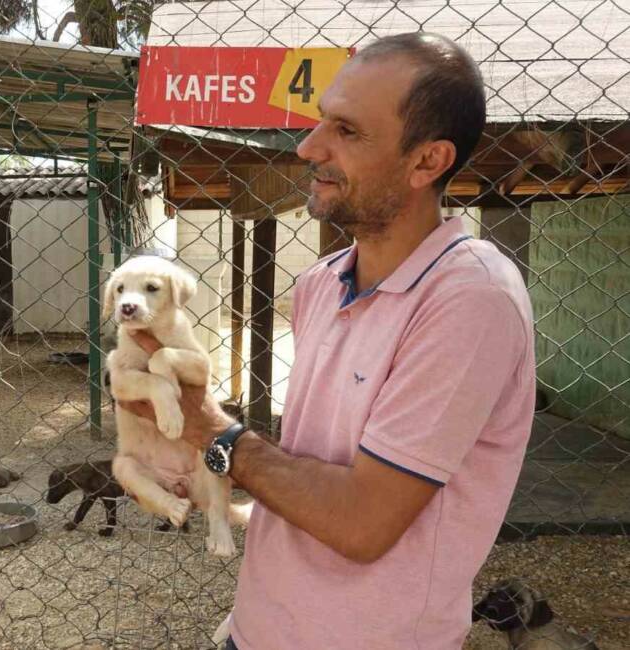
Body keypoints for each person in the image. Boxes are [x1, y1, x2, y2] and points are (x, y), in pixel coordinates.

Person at [124, 33, 536, 649]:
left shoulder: (470, 300)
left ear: (427, 162)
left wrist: (210, 430)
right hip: (259, 628)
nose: (309, 147)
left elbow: (361, 521)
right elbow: (310, 462)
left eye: (347, 131)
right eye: (321, 121)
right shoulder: (320, 282)